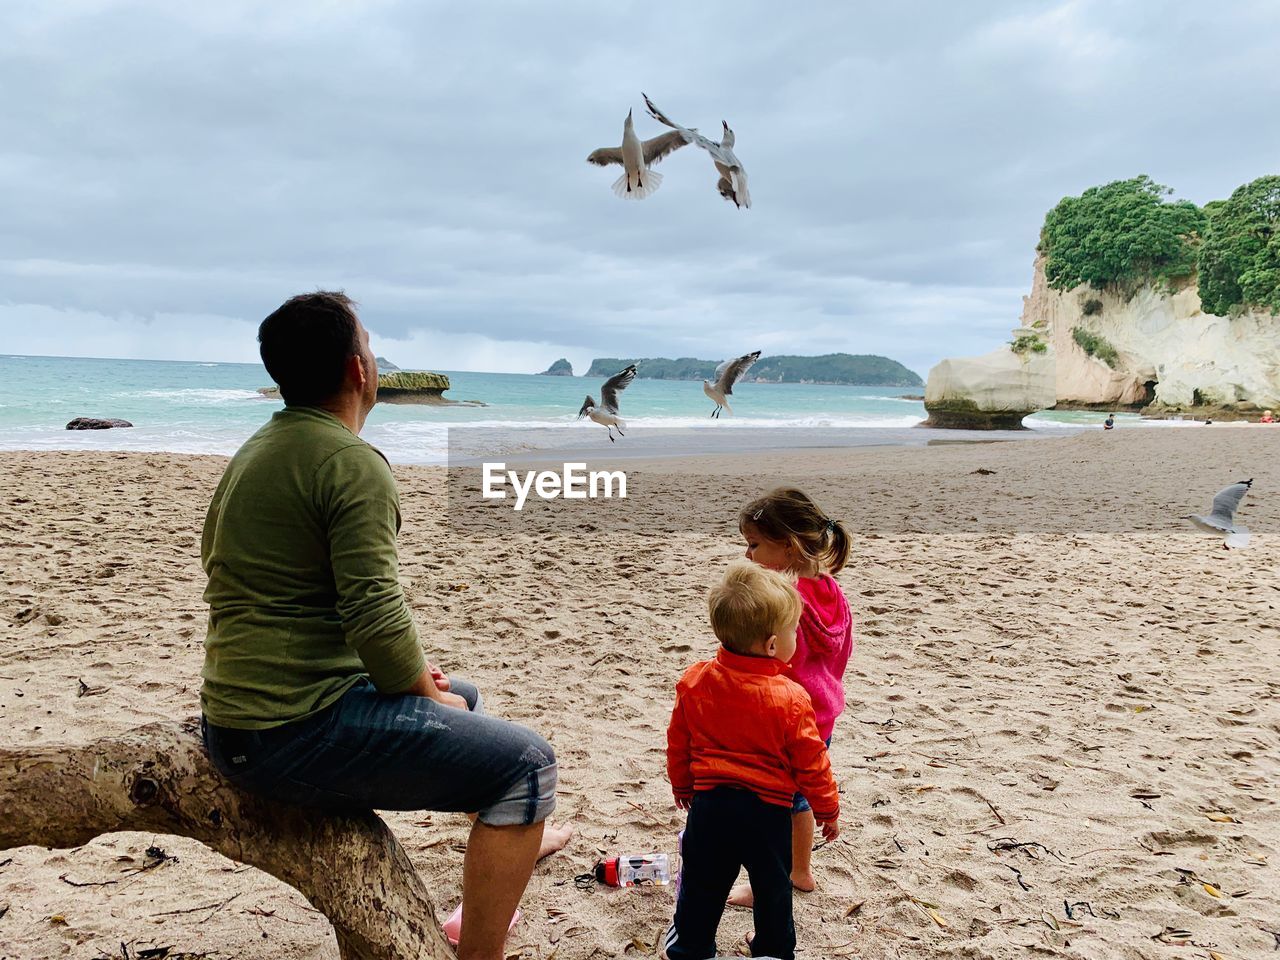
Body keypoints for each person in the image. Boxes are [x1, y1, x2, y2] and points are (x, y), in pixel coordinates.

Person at [199, 291, 569, 960]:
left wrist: (412, 682)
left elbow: (254, 581)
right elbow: (373, 609)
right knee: (530, 767)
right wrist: (419, 693)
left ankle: (512, 838)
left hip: (239, 714)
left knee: (470, 696)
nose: (372, 356)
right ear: (359, 371)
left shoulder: (262, 448)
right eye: (369, 344)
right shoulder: (350, 463)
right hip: (286, 733)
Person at [663, 563, 839, 960]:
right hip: (767, 812)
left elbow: (679, 741)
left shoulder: (695, 680)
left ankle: (691, 947)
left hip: (710, 807)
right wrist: (827, 808)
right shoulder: (791, 698)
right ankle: (773, 950)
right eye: (794, 630)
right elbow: (812, 761)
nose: (798, 637)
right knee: (773, 887)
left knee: (702, 884)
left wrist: (682, 785)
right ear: (773, 645)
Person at [728, 487, 853, 906]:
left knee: (774, 804)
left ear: (789, 545)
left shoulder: (787, 601)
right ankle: (801, 872)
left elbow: (777, 659)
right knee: (800, 798)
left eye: (755, 544)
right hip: (822, 714)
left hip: (787, 716)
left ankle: (771, 882)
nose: (748, 554)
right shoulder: (832, 590)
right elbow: (843, 651)